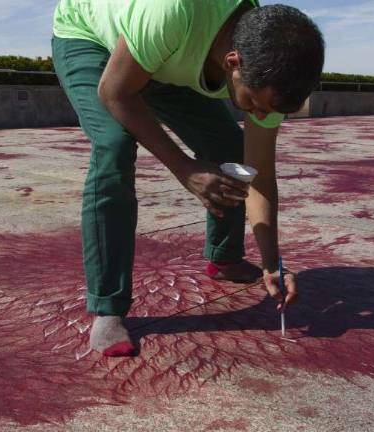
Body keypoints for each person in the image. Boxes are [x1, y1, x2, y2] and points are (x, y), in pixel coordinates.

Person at [52, 0, 325, 356]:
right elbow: (115, 91)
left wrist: (272, 263)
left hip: (158, 55)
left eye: (269, 111)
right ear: (233, 63)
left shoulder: (270, 73)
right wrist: (185, 168)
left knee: (229, 145)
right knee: (114, 146)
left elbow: (260, 177)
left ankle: (224, 258)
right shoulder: (172, 11)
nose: (261, 115)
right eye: (256, 105)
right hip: (89, 37)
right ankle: (108, 306)